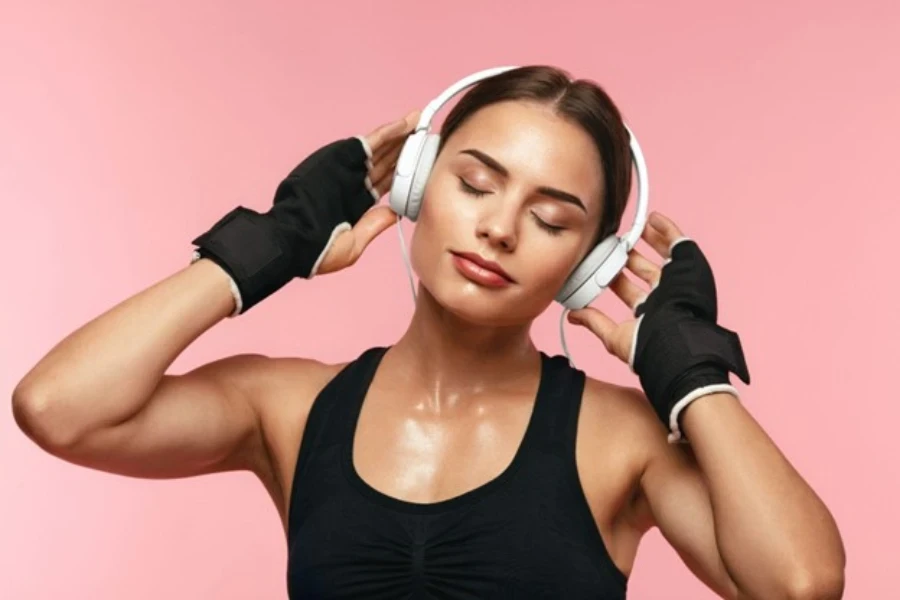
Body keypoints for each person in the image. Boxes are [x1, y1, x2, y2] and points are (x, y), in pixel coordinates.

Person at [12, 66, 845, 599]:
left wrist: (688, 370)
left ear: (589, 265)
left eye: (551, 220)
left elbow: (801, 584)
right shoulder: (291, 407)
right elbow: (59, 408)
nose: (499, 230)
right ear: (415, 186)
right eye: (477, 183)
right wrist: (264, 249)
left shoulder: (621, 440)